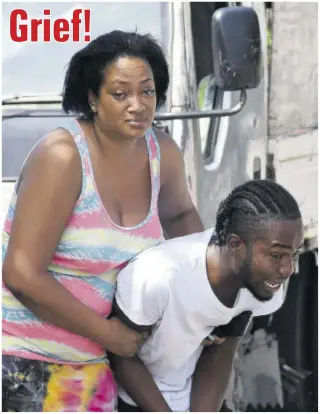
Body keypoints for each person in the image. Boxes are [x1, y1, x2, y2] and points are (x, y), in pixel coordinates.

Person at [2, 31, 203, 412]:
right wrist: (109, 333)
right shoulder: (62, 158)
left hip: (101, 368)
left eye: (147, 91)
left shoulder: (162, 152)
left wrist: (202, 298)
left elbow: (179, 216)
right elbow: (22, 274)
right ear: (93, 98)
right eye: (120, 93)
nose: (138, 105)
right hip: (27, 366)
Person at [111, 179, 304, 412]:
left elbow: (221, 350)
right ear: (235, 245)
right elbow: (121, 357)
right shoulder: (158, 277)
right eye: (276, 255)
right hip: (136, 400)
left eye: (294, 254)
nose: (287, 269)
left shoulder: (260, 283)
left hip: (191, 395)